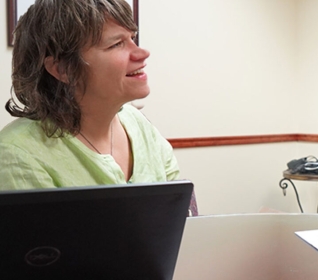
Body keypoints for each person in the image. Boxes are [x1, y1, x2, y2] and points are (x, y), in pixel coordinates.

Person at [0, 0, 198, 216]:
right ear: (62, 68)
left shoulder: (139, 125)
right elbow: (42, 248)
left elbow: (183, 225)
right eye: (116, 44)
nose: (141, 53)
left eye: (132, 38)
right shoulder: (16, 154)